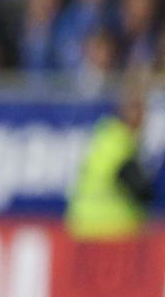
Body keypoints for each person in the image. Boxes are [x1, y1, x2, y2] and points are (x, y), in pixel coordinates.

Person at [67, 76, 157, 240]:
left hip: (86, 229)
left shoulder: (105, 136)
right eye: (140, 110)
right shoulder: (119, 143)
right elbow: (139, 189)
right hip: (109, 234)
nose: (144, 117)